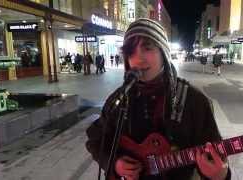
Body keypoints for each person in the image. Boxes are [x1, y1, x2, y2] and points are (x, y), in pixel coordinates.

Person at [85, 18, 230, 180]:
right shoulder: (118, 100)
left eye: (147, 48)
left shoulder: (195, 101)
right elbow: (95, 139)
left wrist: (221, 175)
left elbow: (216, 156)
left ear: (164, 53)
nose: (139, 59)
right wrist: (115, 163)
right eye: (131, 52)